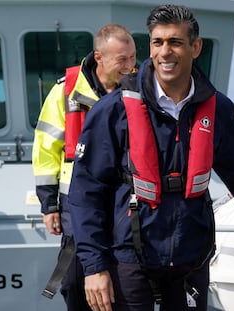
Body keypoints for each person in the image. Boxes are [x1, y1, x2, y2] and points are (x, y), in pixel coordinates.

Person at [68, 4, 234, 311]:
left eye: (175, 42)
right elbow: (87, 192)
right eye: (157, 42)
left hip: (192, 254)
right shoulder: (114, 110)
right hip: (130, 254)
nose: (165, 52)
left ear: (195, 47)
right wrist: (94, 266)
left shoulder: (218, 110)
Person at [32, 24, 136, 311]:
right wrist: (48, 205)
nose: (130, 67)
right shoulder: (64, 91)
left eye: (133, 58)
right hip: (75, 202)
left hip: (124, 203)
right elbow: (46, 147)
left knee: (123, 284)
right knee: (75, 284)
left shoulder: (139, 88)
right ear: (99, 57)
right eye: (122, 60)